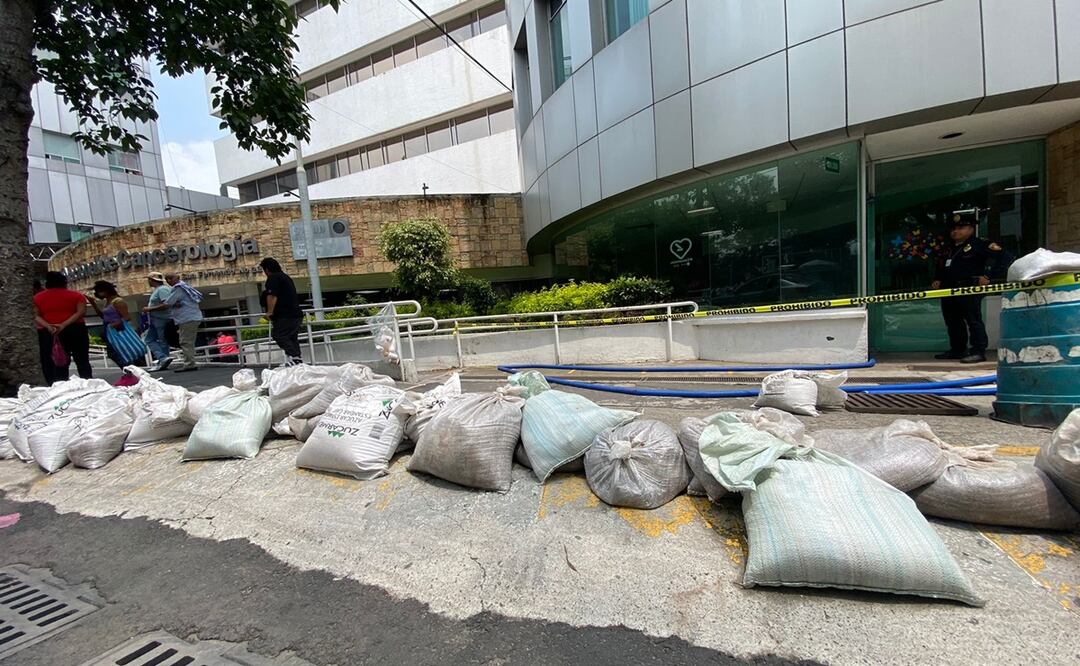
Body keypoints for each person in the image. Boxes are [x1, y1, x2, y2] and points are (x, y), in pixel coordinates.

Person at [931, 206, 1012, 364]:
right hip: (948, 289)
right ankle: (958, 349)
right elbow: (941, 266)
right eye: (953, 229)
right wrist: (937, 278)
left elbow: (1005, 257)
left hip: (969, 288)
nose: (956, 231)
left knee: (973, 320)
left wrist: (989, 276)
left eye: (961, 228)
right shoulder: (948, 248)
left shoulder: (979, 244)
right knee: (953, 321)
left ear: (971, 228)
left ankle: (978, 351)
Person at [32, 271, 93, 383]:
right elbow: (81, 312)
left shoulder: (37, 298)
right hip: (76, 329)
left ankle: (58, 385)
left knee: (55, 361)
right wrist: (63, 324)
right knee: (82, 360)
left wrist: (48, 326)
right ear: (64, 282)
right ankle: (88, 382)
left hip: (49, 332)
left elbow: (35, 315)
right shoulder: (77, 296)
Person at [89, 280, 146, 368]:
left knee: (120, 352)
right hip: (111, 331)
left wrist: (113, 325)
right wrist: (93, 304)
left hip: (119, 331)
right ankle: (130, 370)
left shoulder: (118, 301)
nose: (98, 294)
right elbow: (103, 316)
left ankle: (130, 370)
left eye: (99, 291)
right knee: (117, 352)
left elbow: (127, 317)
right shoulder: (108, 302)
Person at [259, 257, 304, 367]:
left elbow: (272, 295)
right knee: (292, 336)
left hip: (285, 315)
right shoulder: (286, 277)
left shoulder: (273, 278)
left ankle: (295, 357)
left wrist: (269, 312)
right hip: (296, 314)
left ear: (267, 270)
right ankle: (296, 358)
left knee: (279, 335)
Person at [161, 272, 204, 372]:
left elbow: (168, 302)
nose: (168, 282)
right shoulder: (185, 286)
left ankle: (189, 364)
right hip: (192, 317)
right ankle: (190, 363)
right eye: (167, 279)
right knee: (188, 341)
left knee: (185, 342)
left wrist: (171, 303)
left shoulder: (178, 288)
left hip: (187, 319)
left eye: (170, 279)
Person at [141, 272, 174, 371]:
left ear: (152, 280)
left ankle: (163, 358)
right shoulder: (160, 290)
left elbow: (167, 304)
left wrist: (150, 309)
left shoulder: (162, 290)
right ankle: (163, 359)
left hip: (162, 319)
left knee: (157, 340)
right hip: (157, 320)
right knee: (152, 339)